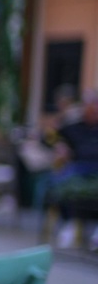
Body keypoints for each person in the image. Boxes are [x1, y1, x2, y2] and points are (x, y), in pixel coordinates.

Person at [48, 90, 98, 247]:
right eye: (89, 107)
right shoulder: (73, 127)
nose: (92, 111)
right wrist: (59, 147)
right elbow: (50, 137)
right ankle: (68, 222)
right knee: (61, 181)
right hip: (77, 167)